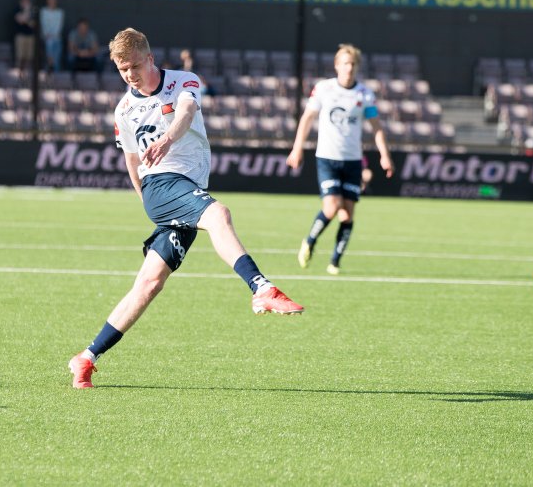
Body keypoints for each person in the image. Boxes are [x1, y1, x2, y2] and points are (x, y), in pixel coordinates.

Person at [68, 28, 304, 389]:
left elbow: (188, 111)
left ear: (149, 58)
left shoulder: (183, 81)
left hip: (184, 188)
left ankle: (86, 357)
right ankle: (261, 288)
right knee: (219, 214)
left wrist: (167, 138)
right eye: (121, 69)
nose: (128, 74)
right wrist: (149, 198)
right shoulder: (124, 109)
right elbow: (132, 161)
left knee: (148, 284)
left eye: (133, 65)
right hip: (161, 186)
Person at [286, 43, 394, 275]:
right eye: (345, 63)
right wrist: (297, 149)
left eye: (353, 64)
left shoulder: (364, 94)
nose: (349, 68)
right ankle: (310, 241)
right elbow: (307, 119)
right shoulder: (324, 89)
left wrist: (385, 155)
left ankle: (334, 262)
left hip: (353, 161)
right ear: (337, 65)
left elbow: (376, 127)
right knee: (333, 206)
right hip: (327, 157)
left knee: (347, 214)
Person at [39, 0, 64, 72]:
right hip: (46, 37)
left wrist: (54, 35)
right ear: (47, 1)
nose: (51, 2)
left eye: (53, 0)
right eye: (50, 0)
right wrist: (47, 34)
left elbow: (59, 25)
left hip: (56, 37)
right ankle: (49, 64)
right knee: (49, 42)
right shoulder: (43, 11)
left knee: (55, 48)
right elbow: (43, 24)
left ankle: (55, 70)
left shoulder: (60, 12)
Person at [13, 0, 35, 71]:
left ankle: (27, 73)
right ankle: (18, 73)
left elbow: (33, 24)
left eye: (27, 2)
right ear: (21, 2)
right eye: (24, 2)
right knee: (20, 56)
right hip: (21, 36)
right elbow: (20, 20)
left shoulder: (33, 11)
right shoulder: (17, 10)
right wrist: (26, 11)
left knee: (29, 56)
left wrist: (26, 19)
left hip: (30, 36)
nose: (26, 3)